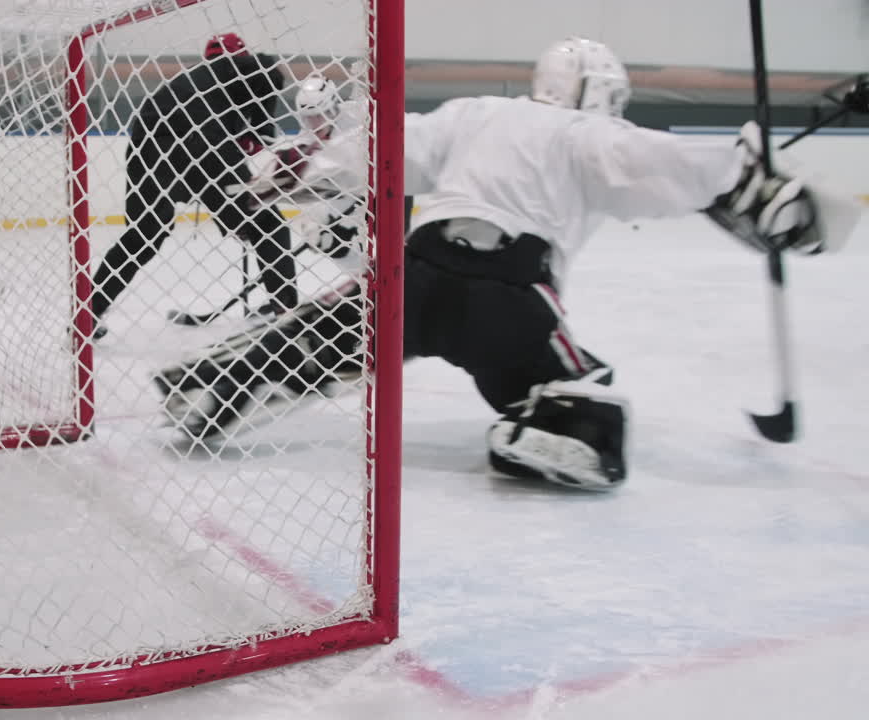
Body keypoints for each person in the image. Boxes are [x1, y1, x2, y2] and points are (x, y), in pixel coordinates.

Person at [155, 37, 827, 492]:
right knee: (584, 385)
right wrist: (750, 177)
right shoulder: (590, 133)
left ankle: (221, 375)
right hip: (510, 296)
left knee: (336, 329)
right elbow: (662, 166)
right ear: (598, 93)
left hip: (414, 274)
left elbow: (387, 147)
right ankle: (548, 431)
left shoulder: (473, 113)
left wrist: (289, 163)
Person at [89, 33, 297, 339]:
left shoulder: (193, 82)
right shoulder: (244, 69)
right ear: (240, 57)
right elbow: (270, 74)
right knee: (268, 223)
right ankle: (286, 311)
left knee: (142, 238)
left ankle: (89, 311)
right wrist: (260, 132)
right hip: (204, 146)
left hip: (147, 150)